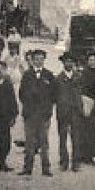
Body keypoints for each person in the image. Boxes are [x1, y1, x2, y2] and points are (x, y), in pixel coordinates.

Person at [19, 49, 56, 177]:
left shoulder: (49, 75)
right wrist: (29, 108)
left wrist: (47, 111)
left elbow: (53, 95)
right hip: (30, 114)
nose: (39, 61)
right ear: (33, 60)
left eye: (41, 59)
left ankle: (46, 168)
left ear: (44, 60)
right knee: (29, 142)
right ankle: (27, 168)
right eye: (36, 59)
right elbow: (21, 94)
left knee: (44, 142)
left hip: (43, 115)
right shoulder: (27, 75)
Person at [54, 53, 84, 173]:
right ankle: (63, 162)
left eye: (71, 61)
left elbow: (83, 93)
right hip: (63, 111)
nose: (69, 63)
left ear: (74, 63)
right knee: (62, 137)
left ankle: (76, 162)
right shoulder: (58, 79)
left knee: (76, 137)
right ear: (63, 63)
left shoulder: (79, 77)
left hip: (75, 111)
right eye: (67, 61)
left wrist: (80, 107)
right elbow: (54, 96)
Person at [79, 51, 95, 165]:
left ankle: (93, 155)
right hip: (86, 104)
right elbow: (82, 89)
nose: (92, 62)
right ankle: (83, 155)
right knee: (84, 130)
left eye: (94, 60)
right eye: (90, 60)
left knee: (93, 131)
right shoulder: (84, 73)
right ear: (87, 62)